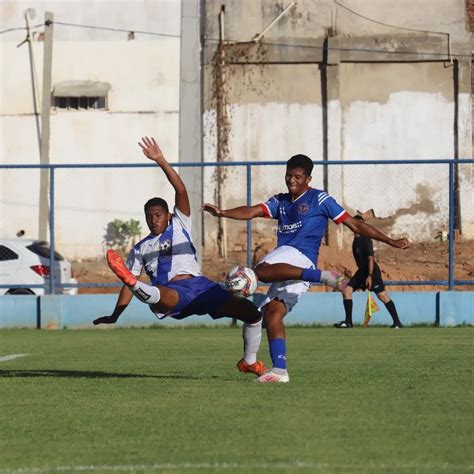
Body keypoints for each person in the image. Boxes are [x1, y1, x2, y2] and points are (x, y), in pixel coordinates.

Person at [203, 154, 409, 383]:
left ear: (308, 179)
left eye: (297, 177)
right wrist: (223, 213)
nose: (292, 180)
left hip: (302, 258)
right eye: (288, 175)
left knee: (259, 270)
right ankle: (277, 370)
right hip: (288, 265)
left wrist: (390, 240)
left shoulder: (320, 199)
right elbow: (252, 211)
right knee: (270, 314)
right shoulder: (280, 201)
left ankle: (322, 275)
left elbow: (356, 224)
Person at [93, 136, 267, 378]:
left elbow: (181, 189)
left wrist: (160, 160)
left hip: (202, 287)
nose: (153, 220)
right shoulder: (141, 248)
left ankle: (248, 362)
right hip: (174, 291)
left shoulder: (181, 224)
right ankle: (139, 286)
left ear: (168, 215)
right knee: (158, 294)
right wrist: (116, 315)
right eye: (149, 216)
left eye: (158, 215)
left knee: (253, 315)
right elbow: (125, 286)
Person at [334, 215, 403, 329]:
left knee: (382, 296)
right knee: (347, 290)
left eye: (361, 224)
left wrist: (370, 275)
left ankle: (397, 323)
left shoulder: (366, 239)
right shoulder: (355, 241)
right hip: (361, 272)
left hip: (371, 272)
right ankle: (348, 322)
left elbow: (370, 259)